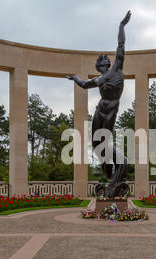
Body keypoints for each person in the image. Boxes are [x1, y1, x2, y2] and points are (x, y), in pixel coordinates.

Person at [67, 11, 132, 198]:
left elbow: (121, 45)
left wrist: (121, 26)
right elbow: (84, 85)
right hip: (99, 111)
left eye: (103, 62)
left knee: (104, 140)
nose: (102, 64)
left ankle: (116, 164)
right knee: (96, 143)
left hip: (111, 110)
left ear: (108, 63)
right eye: (99, 63)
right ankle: (107, 165)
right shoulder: (99, 79)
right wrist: (75, 78)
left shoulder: (117, 69)